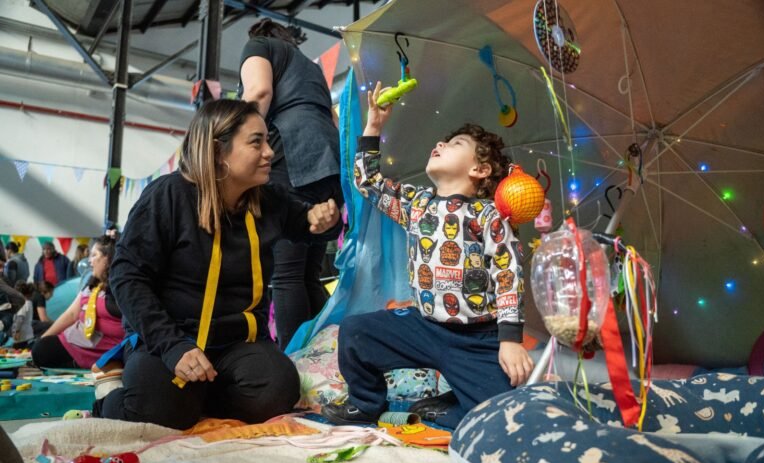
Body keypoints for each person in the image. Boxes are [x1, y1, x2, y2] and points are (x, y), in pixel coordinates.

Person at [94, 99, 341, 430]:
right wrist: (172, 345)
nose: (270, 152)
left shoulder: (268, 200)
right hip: (169, 340)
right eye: (256, 142)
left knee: (278, 389)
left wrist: (322, 220)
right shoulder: (168, 195)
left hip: (236, 346)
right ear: (217, 151)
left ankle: (196, 397)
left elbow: (308, 222)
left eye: (267, 141)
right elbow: (127, 277)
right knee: (161, 411)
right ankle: (110, 396)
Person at [322, 83, 534, 429]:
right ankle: (365, 403)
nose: (440, 144)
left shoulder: (489, 215)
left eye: (455, 144)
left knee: (503, 417)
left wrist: (510, 340)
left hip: (476, 338)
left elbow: (508, 274)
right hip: (423, 327)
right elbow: (367, 183)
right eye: (444, 142)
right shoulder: (416, 204)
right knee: (356, 331)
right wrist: (373, 126)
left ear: (480, 170)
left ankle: (443, 407)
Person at [239, 19, 343, 349]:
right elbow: (333, 119)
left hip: (292, 154)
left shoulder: (259, 46)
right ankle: (323, 355)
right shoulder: (311, 69)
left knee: (286, 273)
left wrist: (233, 140)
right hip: (330, 160)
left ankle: (293, 362)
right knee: (308, 273)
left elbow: (258, 92)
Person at [31, 235, 123, 369]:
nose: (90, 261)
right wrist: (44, 337)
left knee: (41, 350)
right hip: (75, 341)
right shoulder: (92, 285)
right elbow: (71, 314)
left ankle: (87, 362)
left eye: (94, 255)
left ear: (107, 259)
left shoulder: (118, 290)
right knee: (40, 346)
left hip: (103, 349)